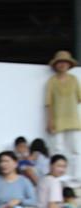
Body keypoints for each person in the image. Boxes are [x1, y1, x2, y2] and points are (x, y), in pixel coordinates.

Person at [45, 50, 81, 181]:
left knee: (75, 150)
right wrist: (50, 121)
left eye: (65, 62)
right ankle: (59, 177)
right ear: (56, 65)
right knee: (58, 149)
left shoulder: (74, 79)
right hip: (57, 120)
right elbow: (48, 103)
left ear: (69, 64)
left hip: (73, 120)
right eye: (60, 62)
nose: (62, 65)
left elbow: (79, 98)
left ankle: (76, 176)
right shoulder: (52, 81)